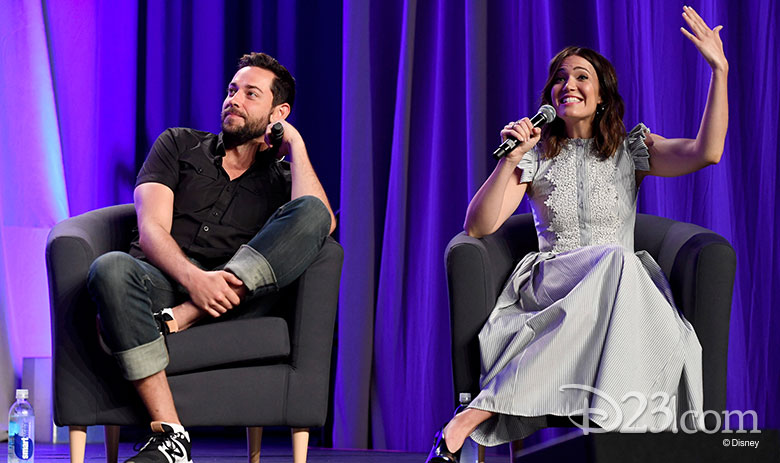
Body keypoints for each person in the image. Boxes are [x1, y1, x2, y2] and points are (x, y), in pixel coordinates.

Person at [426, 6, 727, 462]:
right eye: (560, 78)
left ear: (603, 94)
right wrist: (510, 159)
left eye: (582, 76)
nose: (568, 84)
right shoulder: (537, 155)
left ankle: (481, 412)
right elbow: (478, 226)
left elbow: (708, 152)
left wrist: (718, 71)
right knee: (618, 261)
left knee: (619, 263)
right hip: (554, 290)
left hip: (620, 293)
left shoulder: (632, 148)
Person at [87, 52, 336, 463]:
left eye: (250, 94)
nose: (233, 99)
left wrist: (295, 144)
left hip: (233, 301)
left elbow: (321, 222)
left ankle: (188, 315)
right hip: (158, 283)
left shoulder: (283, 182)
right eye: (231, 90)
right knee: (109, 268)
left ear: (279, 112)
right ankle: (172, 437)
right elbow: (151, 231)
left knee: (311, 212)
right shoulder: (178, 144)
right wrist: (195, 280)